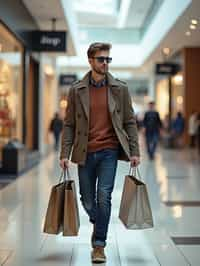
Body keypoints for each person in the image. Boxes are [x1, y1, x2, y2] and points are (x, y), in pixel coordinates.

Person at [59, 42, 140, 263]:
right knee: (87, 199)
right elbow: (68, 125)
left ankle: (99, 244)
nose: (105, 63)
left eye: (108, 59)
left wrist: (135, 151)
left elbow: (129, 121)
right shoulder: (77, 90)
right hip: (85, 152)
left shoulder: (120, 89)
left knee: (104, 197)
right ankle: (99, 221)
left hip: (109, 151)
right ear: (90, 61)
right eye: (101, 59)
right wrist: (64, 153)